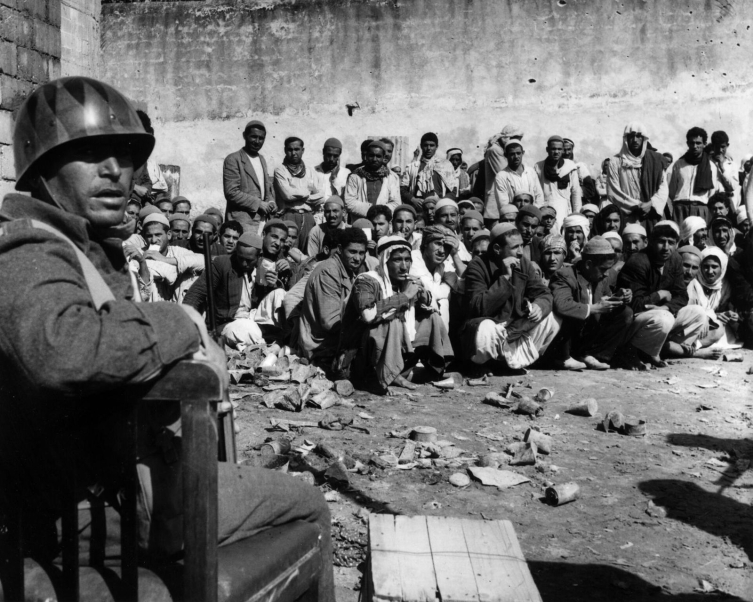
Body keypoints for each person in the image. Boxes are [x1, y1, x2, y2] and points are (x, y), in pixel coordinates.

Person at [0, 76, 334, 600]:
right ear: (41, 169)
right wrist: (184, 320)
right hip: (91, 505)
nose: (117, 171)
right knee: (308, 504)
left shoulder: (80, 245)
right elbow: (64, 349)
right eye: (91, 154)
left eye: (126, 154)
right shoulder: (25, 247)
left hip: (112, 485)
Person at [334, 235, 454, 394]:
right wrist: (405, 296)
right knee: (393, 321)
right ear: (385, 261)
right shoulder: (366, 281)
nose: (404, 266)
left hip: (391, 351)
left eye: (407, 260)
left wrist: (423, 295)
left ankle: (428, 369)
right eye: (397, 260)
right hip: (356, 358)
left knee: (431, 318)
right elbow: (368, 315)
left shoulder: (406, 281)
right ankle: (385, 376)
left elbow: (429, 305)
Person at [463, 223, 560, 370]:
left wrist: (539, 306)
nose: (521, 252)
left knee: (552, 317)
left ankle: (512, 363)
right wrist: (506, 277)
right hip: (493, 325)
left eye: (522, 246)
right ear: (497, 249)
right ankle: (492, 364)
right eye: (515, 247)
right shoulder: (477, 265)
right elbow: (479, 307)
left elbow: (543, 293)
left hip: (514, 327)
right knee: (485, 329)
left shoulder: (523, 263)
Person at [184, 222, 290, 350]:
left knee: (280, 294)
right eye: (241, 258)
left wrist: (271, 286)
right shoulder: (222, 264)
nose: (245, 264)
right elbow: (196, 294)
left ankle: (280, 338)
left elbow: (265, 305)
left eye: (249, 260)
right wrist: (187, 325)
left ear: (258, 256)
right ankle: (270, 345)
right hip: (229, 323)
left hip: (253, 317)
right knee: (247, 330)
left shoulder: (263, 266)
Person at [616, 221, 707, 367]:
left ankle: (658, 350)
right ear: (650, 242)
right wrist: (660, 294)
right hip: (636, 319)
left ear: (676, 244)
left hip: (660, 313)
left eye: (671, 243)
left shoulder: (675, 259)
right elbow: (635, 304)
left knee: (698, 313)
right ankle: (631, 353)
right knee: (664, 319)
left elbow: (682, 296)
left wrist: (666, 308)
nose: (666, 248)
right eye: (661, 242)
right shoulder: (638, 261)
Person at [549, 236, 634, 370]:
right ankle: (562, 357)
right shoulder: (564, 275)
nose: (606, 274)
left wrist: (618, 297)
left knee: (625, 313)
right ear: (588, 265)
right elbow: (562, 305)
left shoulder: (599, 276)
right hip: (566, 339)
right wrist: (594, 308)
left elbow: (604, 299)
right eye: (603, 269)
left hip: (585, 335)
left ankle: (593, 355)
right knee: (572, 311)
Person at [298, 228, 370, 367]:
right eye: (352, 252)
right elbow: (330, 322)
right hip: (321, 346)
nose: (357, 258)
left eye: (361, 253)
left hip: (337, 341)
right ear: (340, 249)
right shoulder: (329, 271)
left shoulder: (348, 270)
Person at [606, 123, 668, 232]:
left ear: (644, 139)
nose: (635, 140)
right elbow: (613, 191)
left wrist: (651, 204)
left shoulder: (655, 160)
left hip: (651, 213)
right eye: (631, 136)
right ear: (626, 138)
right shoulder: (616, 162)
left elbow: (663, 187)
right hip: (628, 215)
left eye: (639, 136)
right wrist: (637, 206)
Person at [135, 213, 205, 303]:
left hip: (177, 304)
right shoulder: (139, 253)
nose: (153, 240)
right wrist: (143, 262)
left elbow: (203, 261)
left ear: (168, 235)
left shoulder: (178, 252)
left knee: (190, 277)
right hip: (151, 305)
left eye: (158, 235)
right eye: (149, 236)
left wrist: (164, 259)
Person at [223, 120, 277, 233]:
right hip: (242, 222)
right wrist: (258, 204)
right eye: (253, 137)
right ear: (244, 136)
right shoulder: (233, 159)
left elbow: (267, 187)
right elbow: (231, 192)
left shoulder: (262, 159)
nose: (257, 141)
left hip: (262, 221)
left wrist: (271, 202)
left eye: (261, 138)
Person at [273, 137, 324, 250]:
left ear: (303, 150)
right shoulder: (280, 170)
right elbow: (287, 194)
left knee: (307, 251)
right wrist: (307, 192)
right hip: (289, 215)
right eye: (290, 149)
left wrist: (297, 194)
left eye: (297, 149)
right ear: (285, 150)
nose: (294, 153)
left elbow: (321, 197)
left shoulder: (310, 172)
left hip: (308, 216)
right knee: (287, 251)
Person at [410, 225, 462, 331]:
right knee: (443, 301)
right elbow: (434, 292)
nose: (442, 251)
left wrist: (455, 254)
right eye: (438, 244)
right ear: (425, 243)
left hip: (430, 318)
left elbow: (464, 285)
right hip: (412, 317)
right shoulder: (412, 259)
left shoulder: (443, 264)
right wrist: (447, 286)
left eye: (447, 247)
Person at [669, 127, 724, 225]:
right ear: (687, 144)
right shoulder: (679, 164)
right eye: (692, 143)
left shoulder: (711, 166)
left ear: (704, 144)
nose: (695, 146)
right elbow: (672, 190)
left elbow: (711, 193)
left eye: (698, 143)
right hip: (680, 209)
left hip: (700, 208)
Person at [490, 140, 544, 225]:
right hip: (514, 220)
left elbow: (539, 196)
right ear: (506, 155)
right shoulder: (501, 176)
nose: (516, 157)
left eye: (518, 153)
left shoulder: (531, 172)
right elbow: (504, 204)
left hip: (532, 217)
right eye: (512, 154)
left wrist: (532, 213)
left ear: (523, 153)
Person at [535, 135, 582, 227]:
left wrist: (576, 214)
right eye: (553, 149)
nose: (556, 152)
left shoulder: (570, 166)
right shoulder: (539, 167)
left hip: (563, 209)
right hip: (545, 208)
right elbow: (537, 192)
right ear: (547, 149)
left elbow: (575, 192)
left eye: (559, 149)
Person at [345, 140, 400, 218]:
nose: (374, 159)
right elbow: (349, 202)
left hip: (383, 223)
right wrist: (372, 211)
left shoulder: (392, 177)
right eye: (371, 155)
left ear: (383, 157)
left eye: (378, 156)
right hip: (361, 222)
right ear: (366, 156)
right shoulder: (355, 176)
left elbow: (396, 203)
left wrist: (379, 214)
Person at [482, 124, 524, 207]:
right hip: (496, 202)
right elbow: (508, 173)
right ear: (508, 138)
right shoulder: (495, 150)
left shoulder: (502, 149)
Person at [400, 132, 444, 208]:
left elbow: (452, 191)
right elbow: (402, 190)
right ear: (421, 146)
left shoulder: (444, 166)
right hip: (418, 208)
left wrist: (442, 202)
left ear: (436, 147)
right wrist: (413, 199)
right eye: (426, 145)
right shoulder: (412, 167)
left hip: (438, 208)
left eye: (432, 145)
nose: (429, 148)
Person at [707, 130, 740, 209]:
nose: (720, 150)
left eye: (723, 147)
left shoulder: (732, 165)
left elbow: (733, 186)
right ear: (712, 146)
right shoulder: (706, 163)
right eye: (717, 147)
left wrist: (722, 168)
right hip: (710, 203)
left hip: (727, 203)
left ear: (727, 145)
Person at [563, 138, 598, 204]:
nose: (566, 153)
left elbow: (590, 190)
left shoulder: (579, 167)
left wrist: (575, 191)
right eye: (564, 150)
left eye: (569, 149)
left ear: (572, 150)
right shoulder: (557, 168)